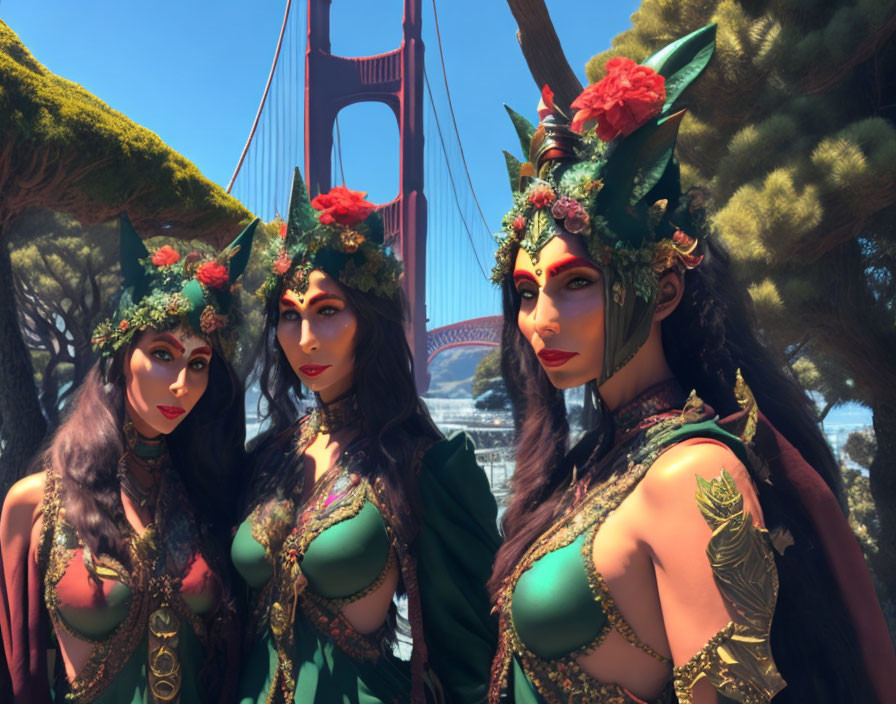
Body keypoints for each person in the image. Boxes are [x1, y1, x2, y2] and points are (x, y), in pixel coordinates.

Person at [487, 25, 896, 704]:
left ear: (665, 290)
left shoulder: (693, 473)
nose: (541, 320)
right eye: (527, 294)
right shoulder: (595, 461)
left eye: (577, 282)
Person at [232, 170, 499, 704]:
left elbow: (470, 659)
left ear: (369, 320)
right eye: (289, 315)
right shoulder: (270, 456)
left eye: (327, 311)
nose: (304, 338)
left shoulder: (423, 464)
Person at [0, 214, 258, 704]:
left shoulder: (208, 498)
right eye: (163, 353)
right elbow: (21, 673)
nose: (182, 384)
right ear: (121, 355)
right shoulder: (35, 505)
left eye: (198, 363)